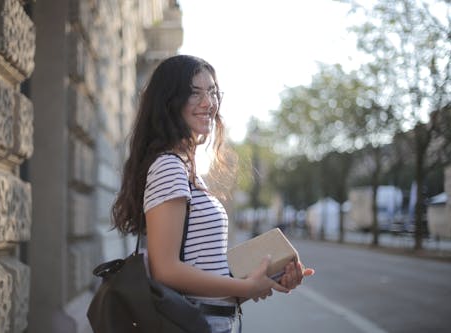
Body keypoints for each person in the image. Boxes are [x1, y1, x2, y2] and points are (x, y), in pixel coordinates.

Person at [112, 55, 314, 333]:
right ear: (169, 101)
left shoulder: (186, 170)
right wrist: (244, 286)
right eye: (195, 93)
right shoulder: (169, 167)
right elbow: (166, 269)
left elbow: (202, 270)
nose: (208, 102)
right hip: (193, 324)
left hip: (211, 321)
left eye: (212, 92)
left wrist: (267, 278)